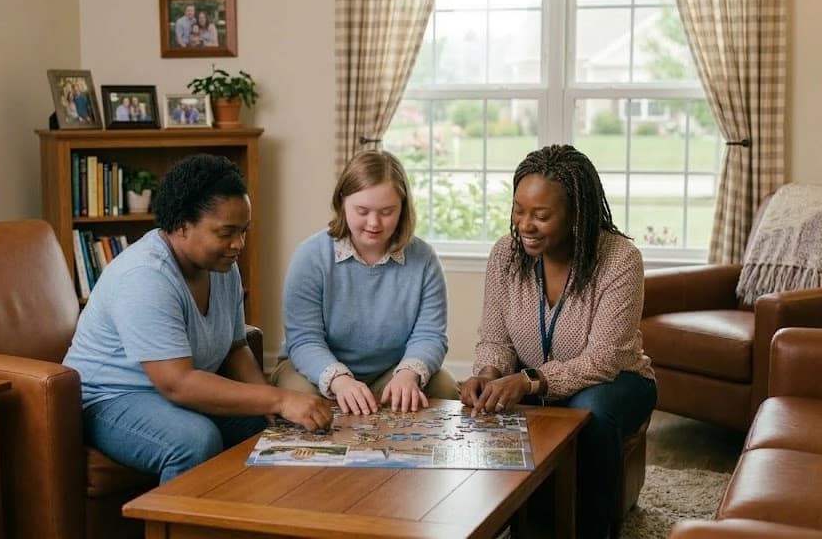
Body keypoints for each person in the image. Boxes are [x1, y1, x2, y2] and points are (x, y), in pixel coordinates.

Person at [63, 154, 332, 482]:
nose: (238, 244)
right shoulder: (144, 276)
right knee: (194, 440)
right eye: (225, 232)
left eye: (243, 231)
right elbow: (177, 383)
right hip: (109, 399)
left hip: (171, 392)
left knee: (266, 425)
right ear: (181, 225)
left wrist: (270, 406)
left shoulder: (223, 266)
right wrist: (281, 397)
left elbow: (235, 347)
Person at [459, 144, 656, 539]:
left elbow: (603, 359)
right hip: (533, 382)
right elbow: (494, 338)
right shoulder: (505, 255)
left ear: (576, 215)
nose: (524, 224)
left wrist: (530, 382)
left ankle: (592, 531)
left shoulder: (620, 260)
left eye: (541, 215)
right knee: (485, 408)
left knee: (592, 411)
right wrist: (488, 373)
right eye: (518, 209)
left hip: (614, 382)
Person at [274, 150, 459, 415]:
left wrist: (407, 374)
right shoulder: (310, 256)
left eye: (387, 212)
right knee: (301, 395)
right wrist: (340, 381)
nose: (374, 223)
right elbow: (304, 339)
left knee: (444, 387)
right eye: (362, 211)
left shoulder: (424, 259)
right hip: (313, 372)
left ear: (403, 208)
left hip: (389, 373)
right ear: (342, 203)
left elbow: (430, 335)